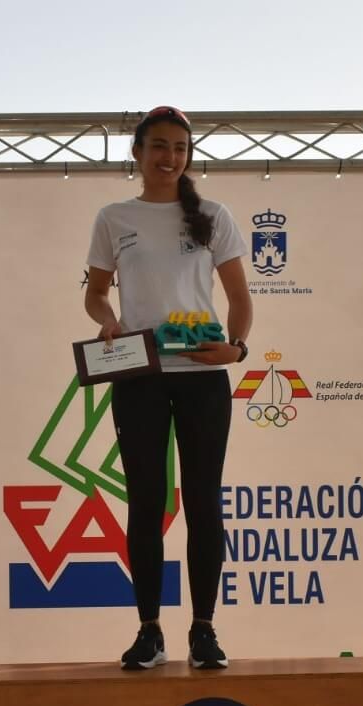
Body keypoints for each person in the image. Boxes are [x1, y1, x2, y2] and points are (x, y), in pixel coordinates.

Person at [83, 106, 253, 670]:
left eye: (180, 148)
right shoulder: (114, 217)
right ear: (137, 152)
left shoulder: (213, 215)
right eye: (158, 146)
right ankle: (149, 631)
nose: (170, 157)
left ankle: (203, 629)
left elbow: (240, 298)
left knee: (204, 503)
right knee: (145, 502)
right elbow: (96, 294)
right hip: (141, 377)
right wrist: (108, 321)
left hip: (204, 378)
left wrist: (238, 348)